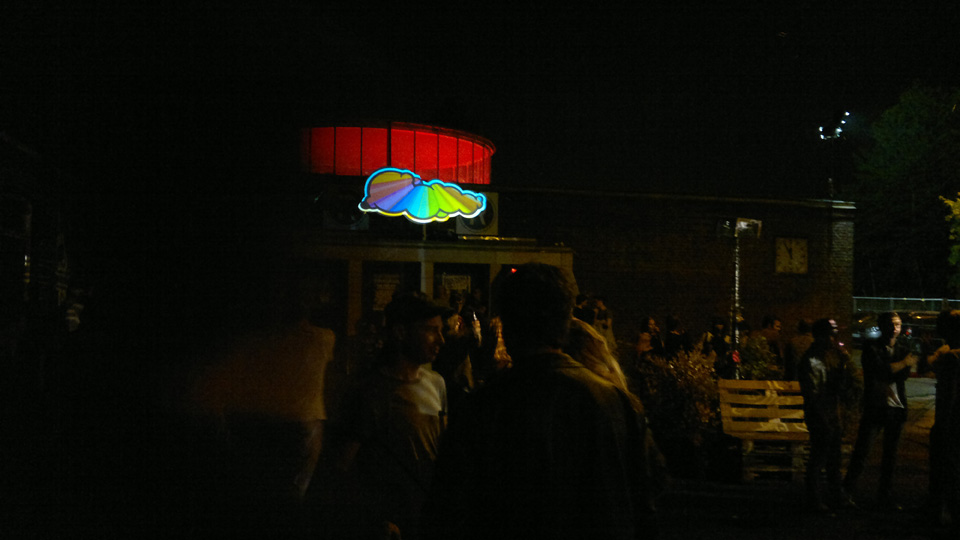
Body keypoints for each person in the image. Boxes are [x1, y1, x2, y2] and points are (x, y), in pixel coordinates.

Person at [423, 263, 654, 540]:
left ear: (508, 325)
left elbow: (447, 512)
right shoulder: (615, 403)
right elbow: (645, 503)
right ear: (565, 321)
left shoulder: (482, 409)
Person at [326, 293, 448, 540]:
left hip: (428, 514)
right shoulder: (370, 392)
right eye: (431, 330)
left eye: (441, 330)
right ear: (401, 332)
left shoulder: (436, 384)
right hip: (393, 522)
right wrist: (373, 517)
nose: (441, 340)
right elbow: (342, 465)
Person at [843, 312, 918, 510]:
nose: (895, 328)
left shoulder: (902, 348)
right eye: (892, 324)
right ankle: (846, 491)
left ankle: (884, 496)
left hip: (896, 407)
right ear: (882, 326)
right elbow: (881, 370)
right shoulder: (871, 347)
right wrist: (902, 364)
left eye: (898, 324)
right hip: (875, 406)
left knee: (890, 455)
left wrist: (894, 368)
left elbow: (901, 375)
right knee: (863, 451)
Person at [797, 318, 860, 512]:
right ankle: (814, 498)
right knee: (819, 456)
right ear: (821, 336)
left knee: (834, 457)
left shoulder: (832, 355)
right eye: (830, 335)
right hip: (820, 413)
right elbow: (814, 393)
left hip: (832, 411)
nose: (834, 339)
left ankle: (836, 495)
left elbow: (844, 382)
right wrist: (822, 417)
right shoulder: (812, 359)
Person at [923, 310, 960, 529]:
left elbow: (949, 395)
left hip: (950, 422)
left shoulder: (951, 358)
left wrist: (942, 426)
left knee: (946, 469)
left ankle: (943, 514)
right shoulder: (950, 354)